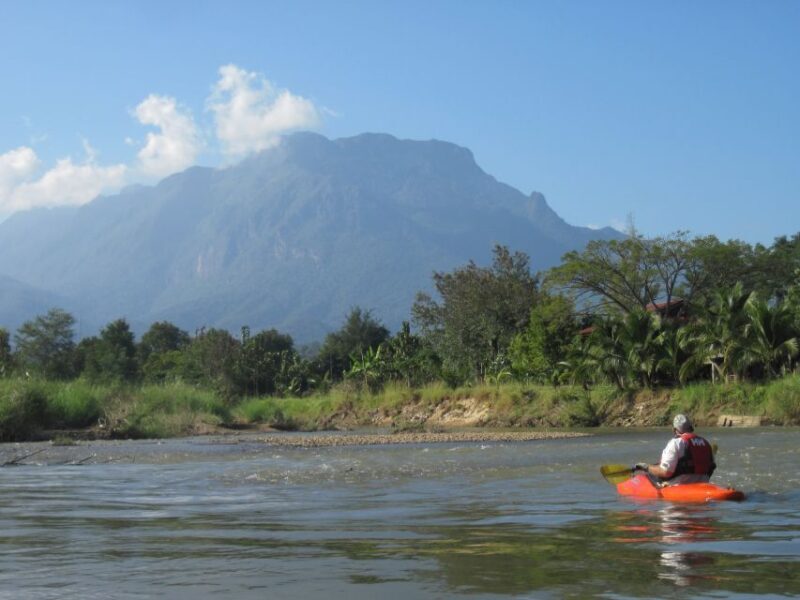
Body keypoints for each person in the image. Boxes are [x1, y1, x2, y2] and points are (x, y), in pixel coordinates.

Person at [634, 414, 716, 485]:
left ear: (674, 430)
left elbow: (665, 472)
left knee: (646, 475)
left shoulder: (676, 443)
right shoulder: (706, 443)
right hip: (702, 484)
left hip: (679, 485)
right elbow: (711, 467)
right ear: (691, 428)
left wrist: (646, 467)